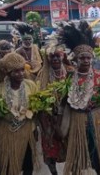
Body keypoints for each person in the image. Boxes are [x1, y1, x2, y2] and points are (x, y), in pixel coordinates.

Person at [60, 25, 100, 175]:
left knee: (99, 153)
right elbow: (65, 99)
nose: (85, 60)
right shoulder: (70, 77)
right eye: (82, 57)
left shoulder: (99, 75)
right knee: (79, 152)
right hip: (78, 119)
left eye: (88, 57)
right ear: (76, 59)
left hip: (97, 116)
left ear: (92, 58)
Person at [0, 53, 39, 175]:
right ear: (7, 72)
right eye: (16, 71)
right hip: (6, 132)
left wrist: (37, 128)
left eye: (22, 70)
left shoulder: (30, 85)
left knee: (28, 165)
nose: (21, 74)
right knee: (6, 165)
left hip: (27, 130)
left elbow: (38, 109)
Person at [36, 44, 68, 175]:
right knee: (50, 148)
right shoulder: (41, 76)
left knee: (68, 146)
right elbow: (38, 101)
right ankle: (54, 172)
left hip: (67, 117)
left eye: (58, 56)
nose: (55, 59)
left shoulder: (69, 72)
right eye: (52, 57)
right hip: (48, 118)